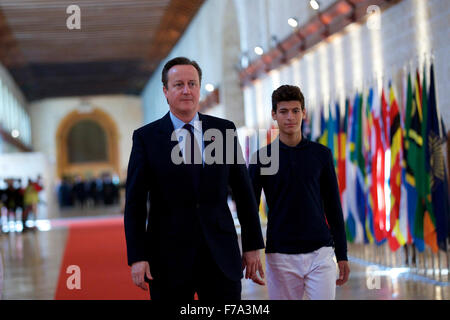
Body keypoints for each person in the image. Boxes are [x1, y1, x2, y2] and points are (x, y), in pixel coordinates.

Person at [124, 56, 265, 301]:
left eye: (192, 83)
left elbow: (244, 192)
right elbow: (135, 203)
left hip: (221, 253)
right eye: (179, 84)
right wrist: (138, 256)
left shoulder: (223, 130)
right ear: (166, 91)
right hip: (168, 258)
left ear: (199, 88)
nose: (187, 90)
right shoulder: (147, 138)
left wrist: (252, 245)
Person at [249, 85, 350, 300]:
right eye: (283, 111)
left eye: (296, 110)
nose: (290, 117)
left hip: (320, 252)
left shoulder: (321, 154)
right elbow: (249, 209)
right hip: (280, 254)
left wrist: (342, 254)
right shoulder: (262, 158)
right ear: (274, 114)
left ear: (304, 112)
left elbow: (333, 206)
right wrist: (252, 250)